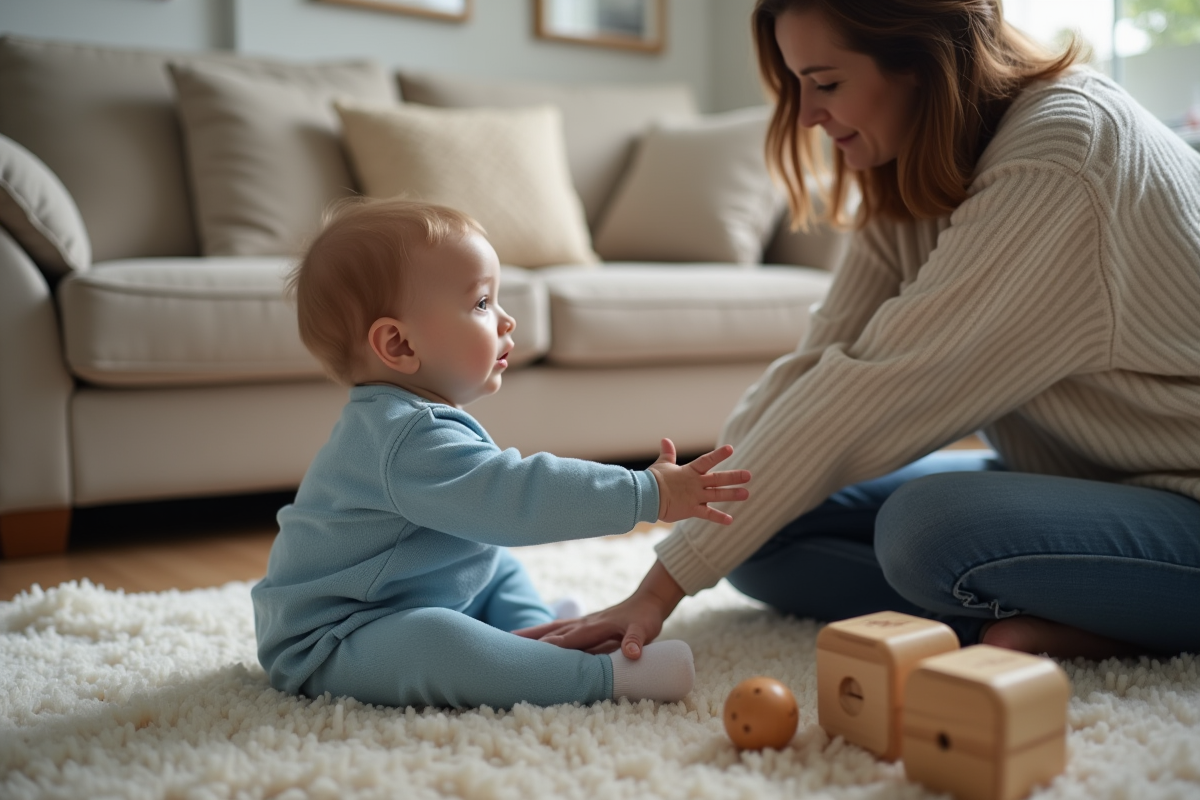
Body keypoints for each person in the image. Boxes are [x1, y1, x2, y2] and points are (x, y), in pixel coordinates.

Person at [517, 0, 1200, 663]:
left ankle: (1100, 624)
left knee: (926, 528)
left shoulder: (1060, 154)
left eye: (827, 83)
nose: (808, 115)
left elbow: (873, 389)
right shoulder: (909, 166)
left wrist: (655, 592)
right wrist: (704, 506)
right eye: (797, 85)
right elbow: (816, 366)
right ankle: (1054, 608)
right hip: (1079, 475)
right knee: (756, 533)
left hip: (1182, 496)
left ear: (926, 61)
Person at [250, 197, 752, 710]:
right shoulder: (402, 439)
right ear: (398, 345)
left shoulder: (411, 418)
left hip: (417, 590)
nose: (507, 321)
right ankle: (597, 677)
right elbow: (516, 499)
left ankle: (539, 634)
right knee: (436, 640)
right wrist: (648, 493)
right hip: (336, 638)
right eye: (482, 303)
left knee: (492, 566)